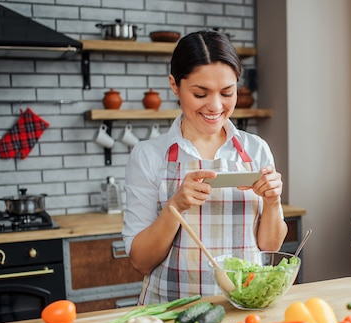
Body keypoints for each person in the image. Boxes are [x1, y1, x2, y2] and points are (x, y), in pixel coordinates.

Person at [123, 30, 288, 304]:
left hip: (243, 307)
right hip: (172, 314)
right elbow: (140, 262)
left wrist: (272, 201)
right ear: (175, 85)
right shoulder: (149, 156)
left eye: (227, 92)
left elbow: (270, 246)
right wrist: (175, 206)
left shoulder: (255, 149)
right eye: (200, 93)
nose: (215, 106)